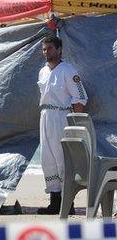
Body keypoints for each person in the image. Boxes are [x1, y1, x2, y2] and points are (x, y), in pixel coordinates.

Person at [37, 34, 88, 215]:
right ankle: (54, 203)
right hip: (45, 116)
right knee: (47, 159)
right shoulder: (43, 71)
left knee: (62, 160)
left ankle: (68, 204)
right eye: (44, 49)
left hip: (62, 116)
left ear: (59, 50)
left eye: (50, 48)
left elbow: (80, 96)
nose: (46, 52)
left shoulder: (68, 70)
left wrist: (74, 121)